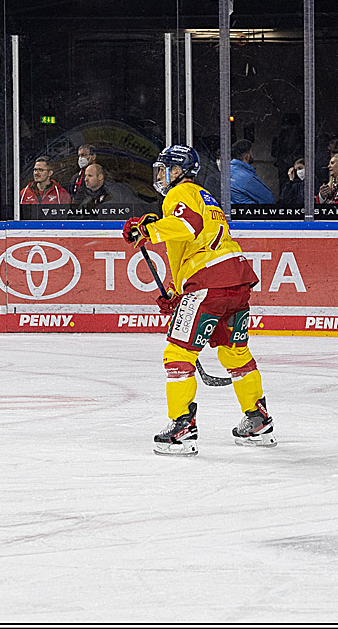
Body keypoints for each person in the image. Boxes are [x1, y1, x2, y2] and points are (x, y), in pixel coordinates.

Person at [121, 145, 269, 455]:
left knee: (178, 352)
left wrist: (147, 230)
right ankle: (257, 420)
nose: (159, 175)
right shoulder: (205, 197)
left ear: (177, 171)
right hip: (236, 280)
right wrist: (179, 293)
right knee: (234, 352)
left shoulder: (180, 193)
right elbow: (194, 242)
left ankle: (182, 428)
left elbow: (188, 227)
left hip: (208, 283)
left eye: (164, 168)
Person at [228, 139, 275, 205]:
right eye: (251, 152)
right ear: (247, 156)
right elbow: (268, 199)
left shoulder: (227, 171)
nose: (252, 155)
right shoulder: (246, 177)